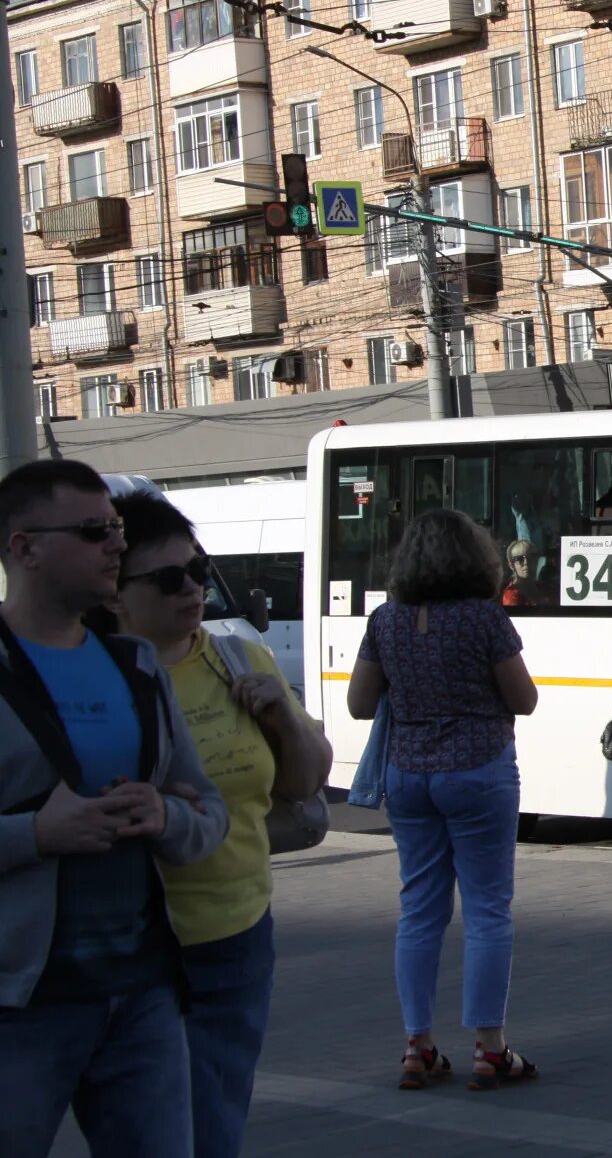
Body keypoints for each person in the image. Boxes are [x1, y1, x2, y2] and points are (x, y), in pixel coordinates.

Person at [0, 459, 227, 1158]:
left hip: (143, 993)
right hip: (19, 1004)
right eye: (95, 531)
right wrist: (35, 832)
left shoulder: (135, 664)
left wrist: (166, 817)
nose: (117, 547)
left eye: (118, 530)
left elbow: (206, 811)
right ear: (24, 547)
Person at [105, 491, 332, 1158]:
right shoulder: (96, 674)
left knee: (212, 1118)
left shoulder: (238, 657)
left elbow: (304, 780)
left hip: (233, 934)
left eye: (199, 570)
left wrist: (283, 718)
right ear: (115, 591)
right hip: (132, 943)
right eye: (168, 578)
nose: (193, 589)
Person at [345, 509, 540, 1092]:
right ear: (474, 559)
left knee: (420, 910)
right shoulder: (485, 619)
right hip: (478, 771)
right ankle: (489, 1049)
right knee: (486, 910)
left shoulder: (386, 620)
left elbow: (359, 703)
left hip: (408, 776)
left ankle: (417, 1046)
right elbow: (523, 699)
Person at [499, 540, 545, 608]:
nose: (526, 562)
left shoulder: (544, 588)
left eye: (531, 556)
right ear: (512, 566)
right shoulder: (511, 595)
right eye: (519, 559)